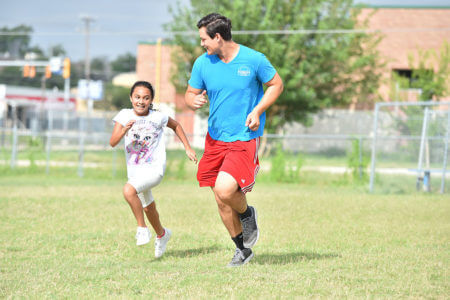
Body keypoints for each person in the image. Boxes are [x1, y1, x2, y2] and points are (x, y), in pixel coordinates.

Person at [185, 13, 284, 266]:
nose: (202, 44)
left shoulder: (254, 60)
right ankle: (242, 250)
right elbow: (190, 93)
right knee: (220, 199)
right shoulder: (203, 63)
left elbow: (276, 84)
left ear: (218, 37)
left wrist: (258, 110)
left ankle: (247, 212)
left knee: (225, 189)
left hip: (244, 137)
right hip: (215, 139)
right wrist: (192, 100)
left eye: (204, 39)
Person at [110, 80, 197, 258]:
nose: (141, 101)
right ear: (131, 98)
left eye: (146, 98)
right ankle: (162, 234)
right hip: (136, 171)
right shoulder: (124, 115)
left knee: (128, 190)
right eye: (137, 97)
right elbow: (112, 142)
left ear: (151, 101)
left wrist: (187, 147)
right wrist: (124, 129)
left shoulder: (158, 117)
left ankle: (142, 229)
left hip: (154, 169)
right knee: (148, 208)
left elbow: (176, 126)